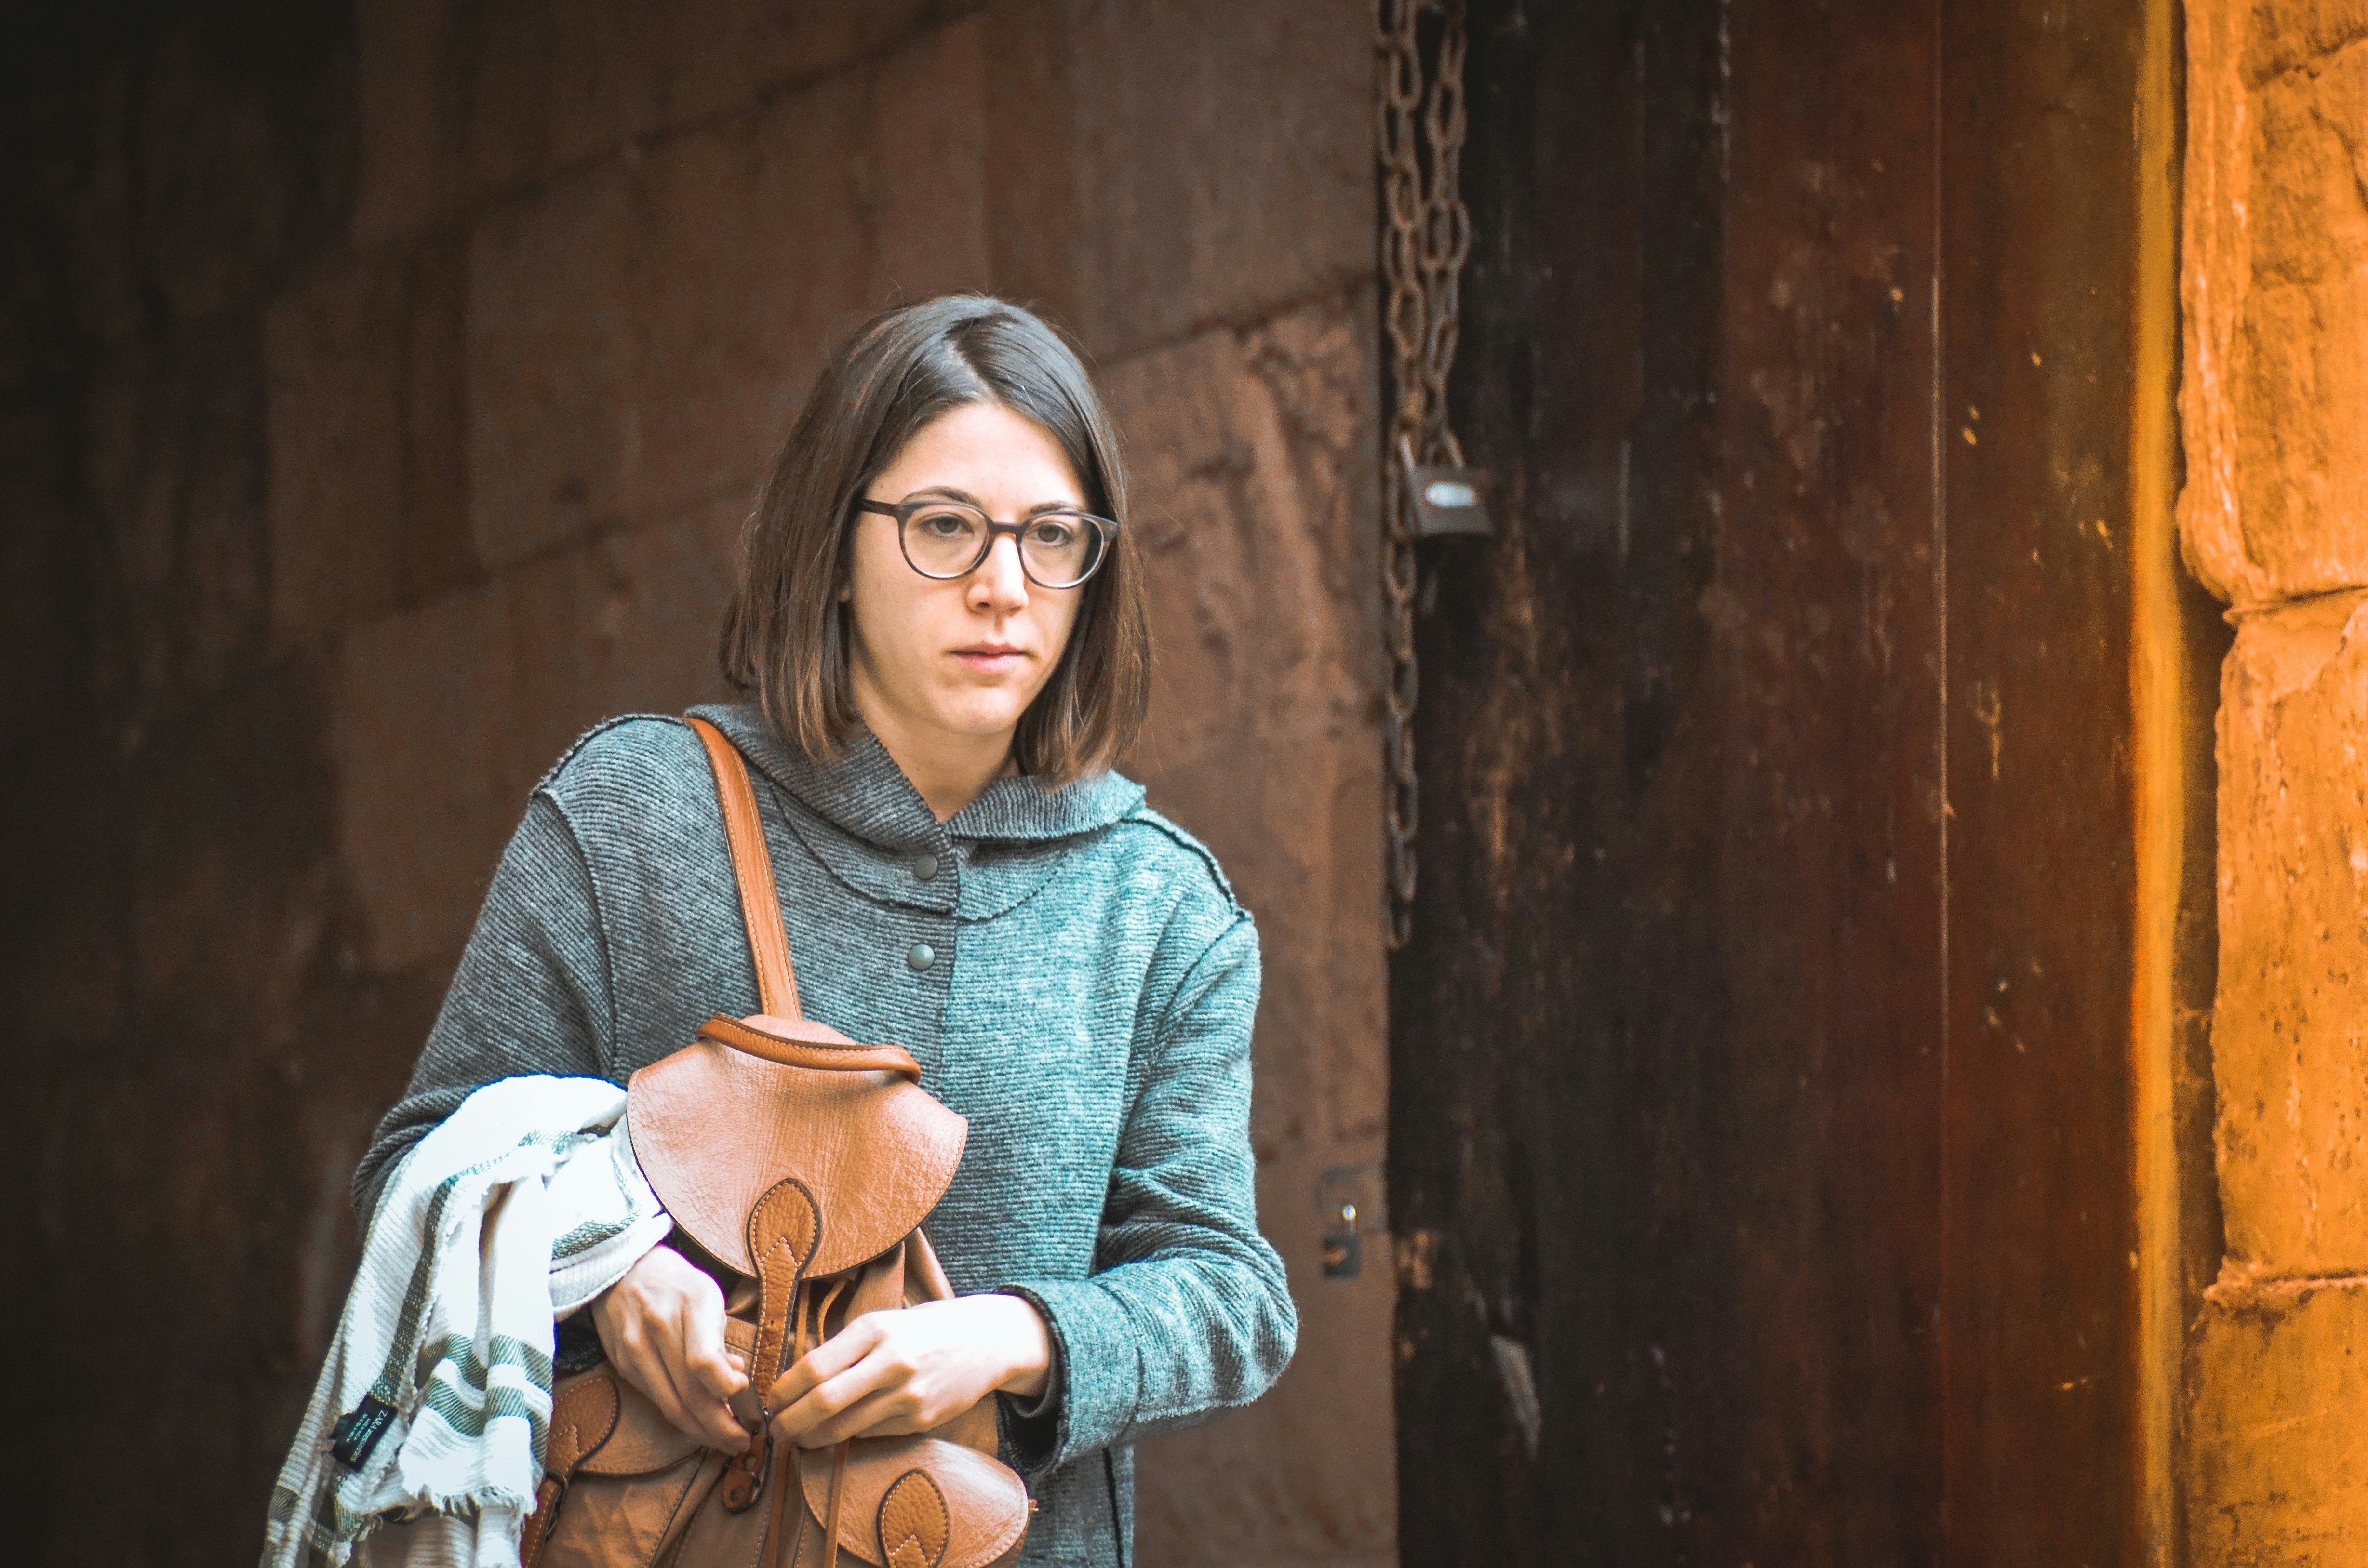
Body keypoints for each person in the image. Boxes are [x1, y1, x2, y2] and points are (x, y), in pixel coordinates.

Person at [353, 294, 1297, 1566]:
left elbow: (1227, 1291)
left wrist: (1012, 1339)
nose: (1003, 586)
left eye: (1052, 536)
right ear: (833, 542)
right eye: (944, 528)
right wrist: (607, 1276)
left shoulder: (1161, 910)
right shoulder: (637, 814)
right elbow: (428, 1161)